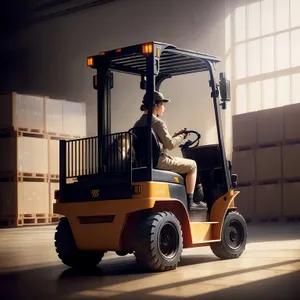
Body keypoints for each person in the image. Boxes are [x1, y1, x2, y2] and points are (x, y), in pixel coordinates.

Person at [133, 90, 206, 208]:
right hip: (159, 161)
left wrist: (176, 136)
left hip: (144, 162)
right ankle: (191, 203)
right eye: (162, 104)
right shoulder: (158, 123)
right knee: (192, 165)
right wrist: (182, 136)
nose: (164, 108)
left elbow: (159, 144)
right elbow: (170, 145)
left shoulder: (137, 123)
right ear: (156, 105)